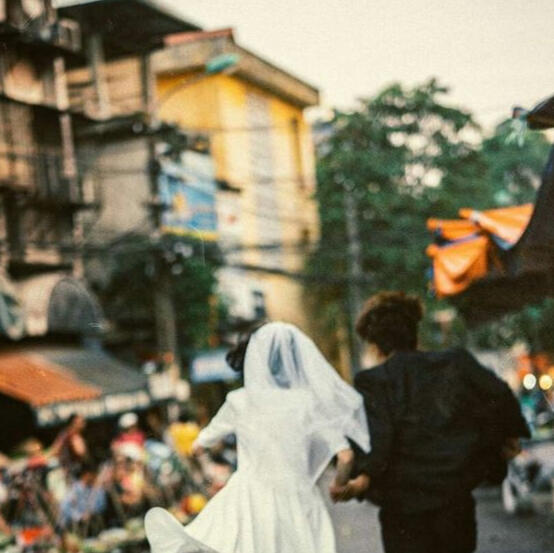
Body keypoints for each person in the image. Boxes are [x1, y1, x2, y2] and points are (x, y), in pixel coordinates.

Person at [145, 322, 370, 553]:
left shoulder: (239, 401)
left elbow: (199, 445)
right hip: (300, 502)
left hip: (252, 503)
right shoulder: (308, 403)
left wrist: (200, 448)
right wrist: (339, 485)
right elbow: (345, 457)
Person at [331, 291, 530, 553]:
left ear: (375, 344)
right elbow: (500, 395)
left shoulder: (374, 381)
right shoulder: (455, 362)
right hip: (455, 504)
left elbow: (380, 441)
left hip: (404, 514)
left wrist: (361, 480)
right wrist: (509, 438)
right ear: (414, 331)